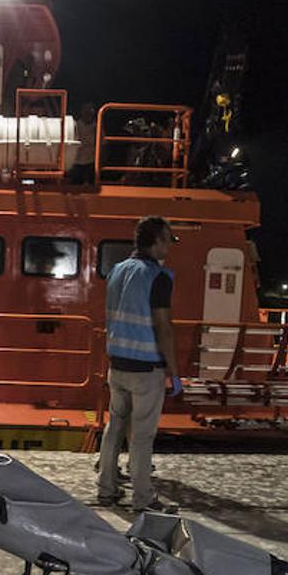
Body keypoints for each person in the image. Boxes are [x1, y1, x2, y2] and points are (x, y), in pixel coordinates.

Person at [97, 216, 183, 513]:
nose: (169, 245)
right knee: (143, 435)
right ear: (155, 241)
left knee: (115, 427)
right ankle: (143, 499)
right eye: (168, 239)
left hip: (117, 364)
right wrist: (173, 370)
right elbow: (163, 327)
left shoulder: (117, 271)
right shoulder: (157, 276)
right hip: (146, 368)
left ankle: (106, 490)